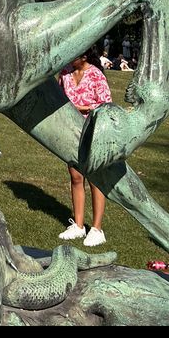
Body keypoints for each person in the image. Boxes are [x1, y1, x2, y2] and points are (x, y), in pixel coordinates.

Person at [58, 49, 113, 246]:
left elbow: (106, 105)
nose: (69, 59)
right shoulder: (64, 73)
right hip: (71, 130)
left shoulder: (96, 75)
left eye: (74, 55)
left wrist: (82, 108)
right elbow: (58, 98)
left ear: (84, 57)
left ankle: (97, 229)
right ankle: (79, 225)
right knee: (75, 176)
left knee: (95, 179)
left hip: (92, 130)